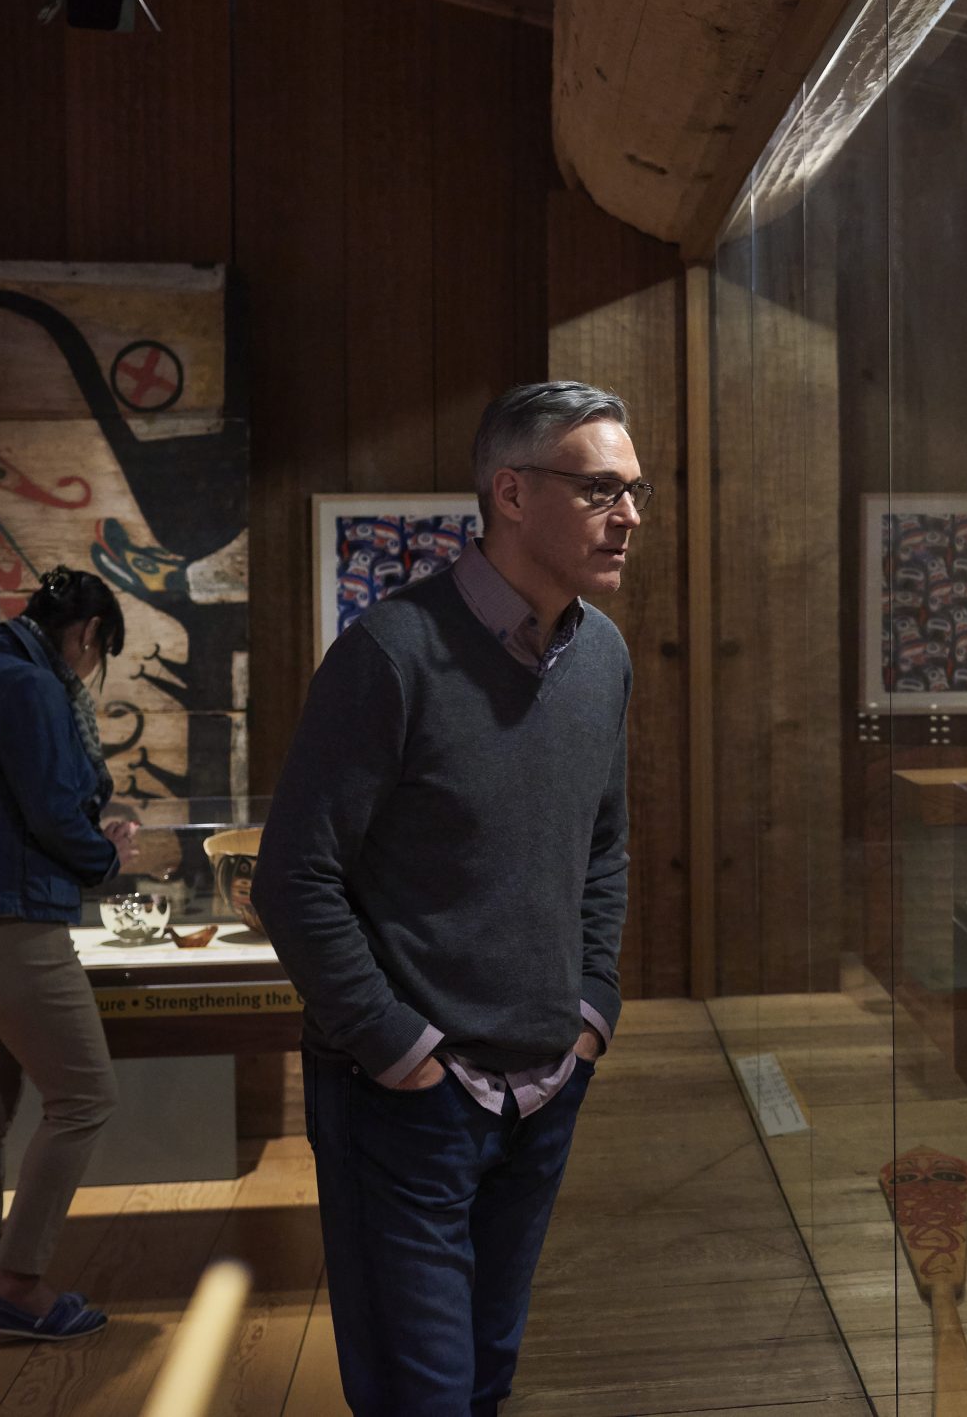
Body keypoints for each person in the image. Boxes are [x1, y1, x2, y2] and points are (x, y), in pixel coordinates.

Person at [257, 381, 641, 1417]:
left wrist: (590, 1012)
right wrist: (399, 1049)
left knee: (483, 1380)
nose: (631, 514)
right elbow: (292, 876)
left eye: (633, 488)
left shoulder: (601, 654)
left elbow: (602, 847)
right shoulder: (391, 654)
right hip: (407, 1101)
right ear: (510, 492)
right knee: (417, 1393)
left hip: (544, 1078)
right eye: (601, 487)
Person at [0, 565, 143, 1343]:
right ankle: (18, 1285)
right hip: (11, 921)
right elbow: (51, 808)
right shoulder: (36, 688)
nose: (90, 667)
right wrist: (106, 855)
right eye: (97, 652)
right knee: (85, 1096)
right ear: (85, 635)